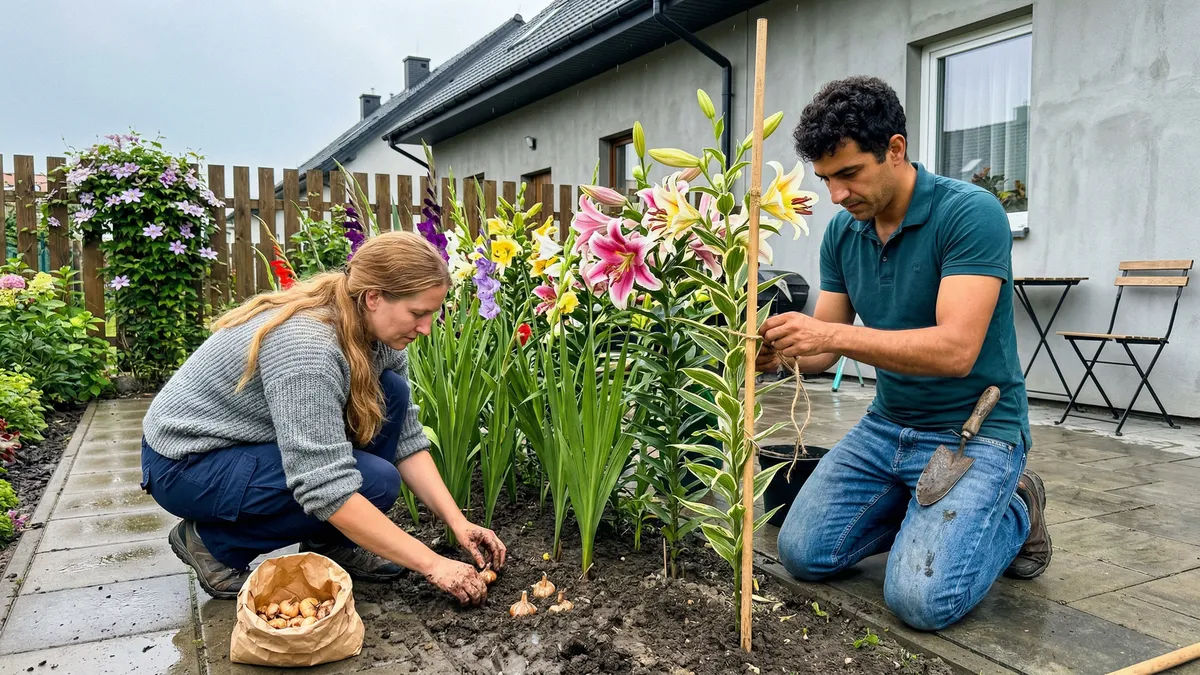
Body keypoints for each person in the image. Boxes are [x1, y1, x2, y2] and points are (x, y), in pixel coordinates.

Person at [756, 76, 1050, 631]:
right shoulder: (843, 233)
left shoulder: (970, 213)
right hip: (886, 426)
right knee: (802, 554)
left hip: (974, 432)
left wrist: (829, 337)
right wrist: (781, 354)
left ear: (895, 149)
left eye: (849, 173)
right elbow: (822, 351)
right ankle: (925, 513)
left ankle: (1015, 507)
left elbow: (955, 350)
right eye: (826, 179)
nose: (836, 195)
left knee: (920, 601)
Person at [141, 231, 505, 606]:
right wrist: (432, 564)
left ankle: (331, 541)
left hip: (242, 447)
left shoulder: (378, 334)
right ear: (373, 297)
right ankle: (212, 544)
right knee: (374, 483)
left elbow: (407, 439)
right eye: (417, 313)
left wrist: (458, 522)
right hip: (186, 465)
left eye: (431, 313)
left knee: (391, 392)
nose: (426, 328)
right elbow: (324, 485)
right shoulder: (310, 348)